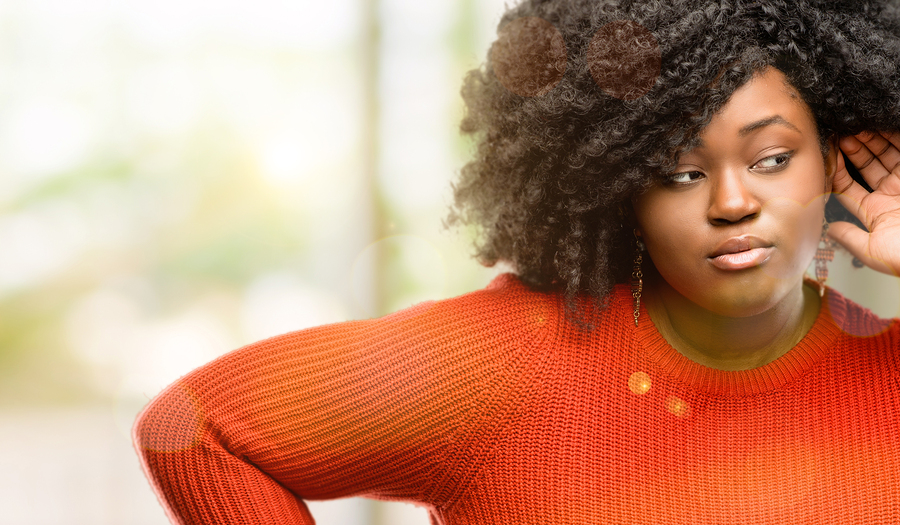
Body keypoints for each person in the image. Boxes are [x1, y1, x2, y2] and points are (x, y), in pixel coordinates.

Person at [134, 0, 900, 523]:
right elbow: (195, 426)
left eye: (771, 158)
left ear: (834, 159)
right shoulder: (503, 367)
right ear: (618, 186)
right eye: (680, 172)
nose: (731, 200)